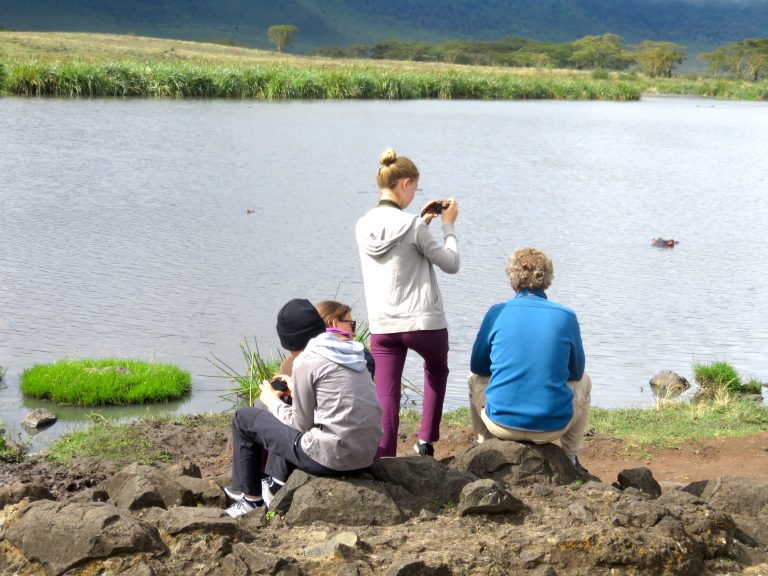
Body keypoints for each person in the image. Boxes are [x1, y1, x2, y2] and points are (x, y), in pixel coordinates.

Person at [224, 298, 383, 517]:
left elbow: (299, 425)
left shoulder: (307, 360)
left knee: (244, 417)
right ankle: (271, 483)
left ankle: (250, 501)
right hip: (366, 455)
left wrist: (273, 402)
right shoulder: (352, 351)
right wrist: (294, 388)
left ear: (288, 341)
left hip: (333, 459)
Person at [355, 148, 460, 458]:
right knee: (436, 371)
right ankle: (425, 441)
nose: (415, 194)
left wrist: (422, 220)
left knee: (386, 392)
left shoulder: (362, 226)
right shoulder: (413, 226)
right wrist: (447, 225)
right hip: (424, 323)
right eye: (415, 187)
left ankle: (384, 454)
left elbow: (400, 245)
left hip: (383, 325)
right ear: (404, 184)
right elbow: (451, 263)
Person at [468, 247, 591, 473]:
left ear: (513, 281)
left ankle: (484, 448)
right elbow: (575, 373)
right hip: (553, 427)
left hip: (500, 423)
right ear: (547, 281)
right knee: (585, 381)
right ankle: (570, 457)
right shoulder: (566, 316)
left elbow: (477, 366)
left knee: (473, 379)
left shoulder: (497, 312)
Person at [315, 300, 375, 378]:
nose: (354, 334)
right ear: (335, 323)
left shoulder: (305, 354)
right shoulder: (359, 355)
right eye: (352, 325)